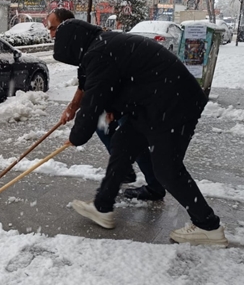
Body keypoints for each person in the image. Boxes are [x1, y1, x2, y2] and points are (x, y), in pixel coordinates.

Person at [52, 19, 226, 246]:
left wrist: (77, 136)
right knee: (123, 143)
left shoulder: (100, 52)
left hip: (173, 105)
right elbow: (126, 81)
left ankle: (208, 226)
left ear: (73, 46)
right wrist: (115, 108)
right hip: (154, 102)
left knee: (166, 169)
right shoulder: (103, 44)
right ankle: (102, 207)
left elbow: (93, 102)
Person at [45, 9, 163, 201]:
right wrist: (72, 109)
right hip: (123, 97)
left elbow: (101, 86)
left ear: (68, 26)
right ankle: (125, 171)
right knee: (103, 128)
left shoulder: (97, 45)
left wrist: (79, 133)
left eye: (53, 28)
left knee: (131, 138)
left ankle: (152, 187)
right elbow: (86, 83)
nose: (51, 35)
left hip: (139, 96)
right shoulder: (82, 46)